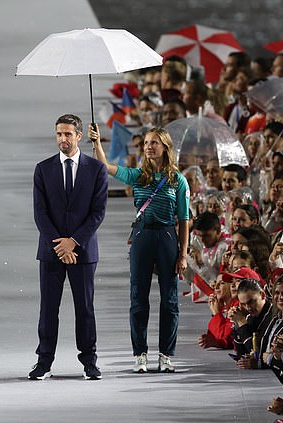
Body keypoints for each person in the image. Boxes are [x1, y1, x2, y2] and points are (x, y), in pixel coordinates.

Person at [91, 124, 189, 374]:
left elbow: (184, 219)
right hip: (142, 235)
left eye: (154, 142)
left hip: (167, 235)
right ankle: (140, 354)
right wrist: (97, 144)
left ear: (165, 147)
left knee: (169, 300)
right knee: (138, 298)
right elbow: (105, 167)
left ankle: (166, 354)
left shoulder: (177, 180)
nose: (148, 147)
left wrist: (184, 253)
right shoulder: (137, 176)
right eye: (145, 143)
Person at [29, 114, 108, 381]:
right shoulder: (43, 168)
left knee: (84, 307)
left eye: (67, 134)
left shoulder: (96, 169)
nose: (62, 139)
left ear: (79, 136)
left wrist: (73, 242)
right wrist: (60, 245)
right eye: (59, 134)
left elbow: (98, 213)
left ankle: (89, 362)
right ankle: (44, 363)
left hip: (83, 252)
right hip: (51, 251)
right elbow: (40, 213)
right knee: (48, 308)